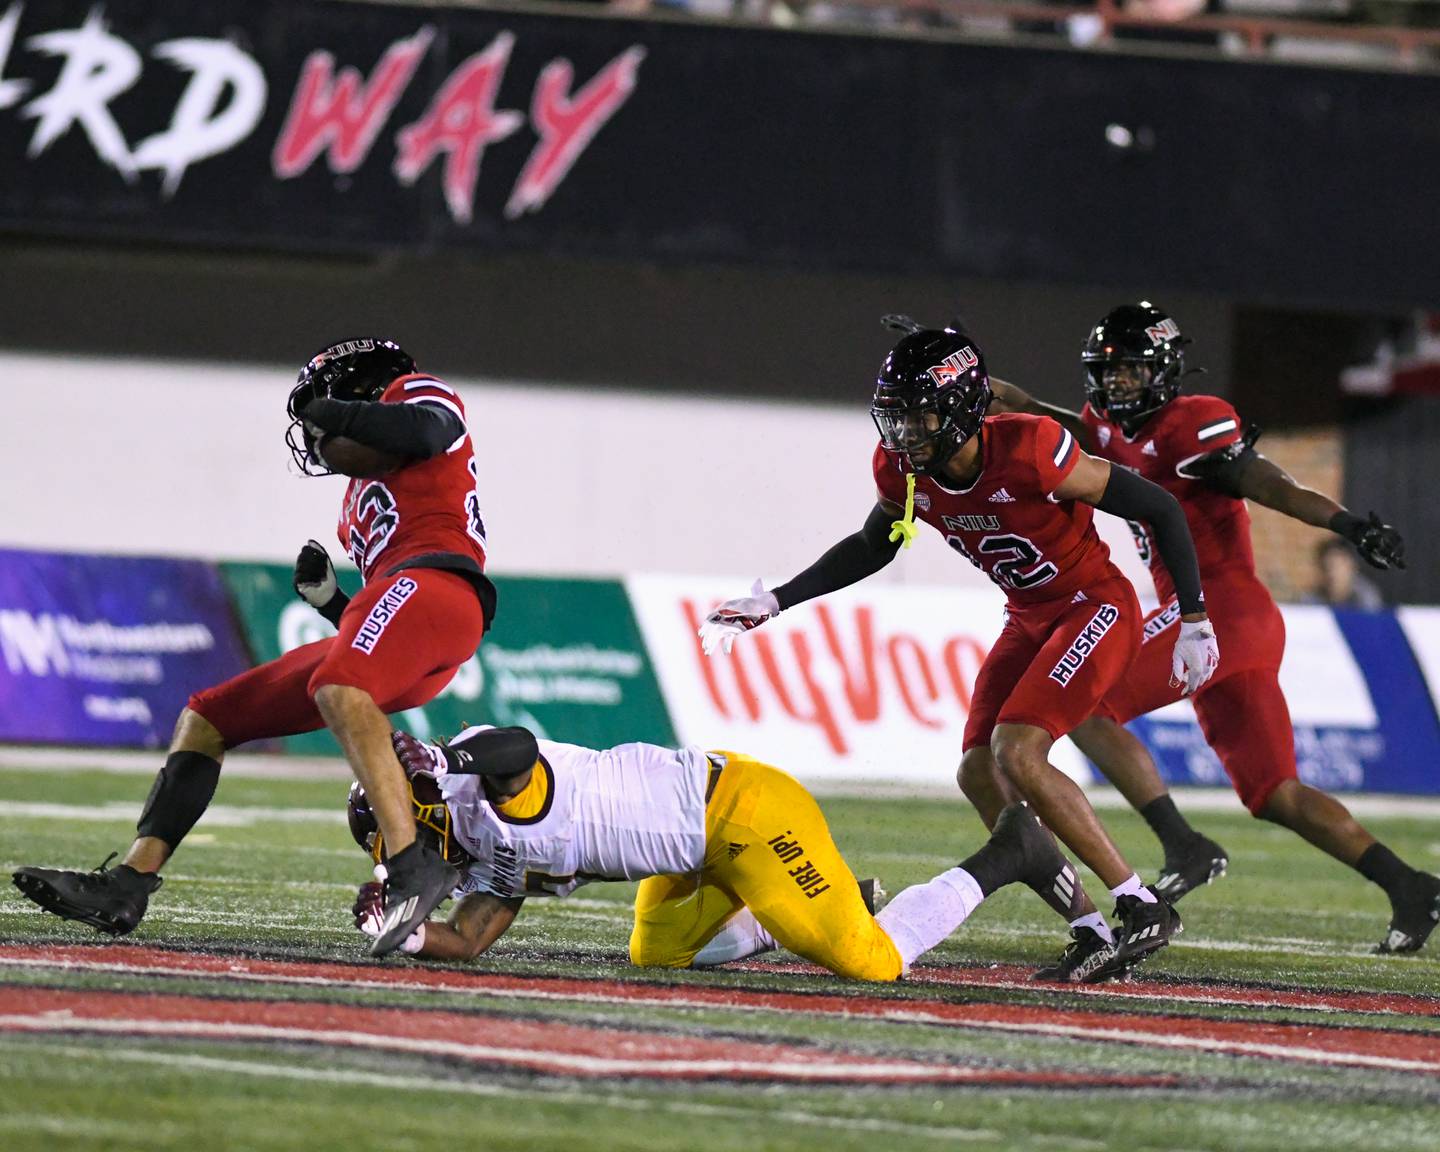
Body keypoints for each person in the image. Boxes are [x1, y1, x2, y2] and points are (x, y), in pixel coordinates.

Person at [699, 320, 1221, 983]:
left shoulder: (1034, 449)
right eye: (897, 416)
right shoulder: (900, 466)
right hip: (1029, 615)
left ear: (965, 407)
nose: (905, 433)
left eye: (920, 414)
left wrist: (1195, 618)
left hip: (1094, 605)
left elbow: (1160, 509)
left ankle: (1141, 905)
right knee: (978, 772)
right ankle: (1089, 925)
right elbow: (877, 542)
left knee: (1017, 750)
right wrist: (776, 600)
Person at [12, 338, 497, 958]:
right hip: (414, 609)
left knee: (337, 687)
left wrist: (336, 414)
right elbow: (382, 623)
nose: (316, 439)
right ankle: (128, 883)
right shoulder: (358, 501)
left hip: (445, 588)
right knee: (209, 716)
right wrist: (330, 603)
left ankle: (412, 863)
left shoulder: (416, 393)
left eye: (321, 412)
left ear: (359, 388)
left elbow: (429, 432)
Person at [990, 302, 1439, 957]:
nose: (1116, 386)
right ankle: (1411, 885)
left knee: (1085, 706)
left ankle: (1183, 845)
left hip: (1218, 612)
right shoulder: (1103, 425)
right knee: (1275, 793)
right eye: (1107, 373)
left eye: (1131, 372)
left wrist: (1345, 524)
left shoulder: (1192, 423)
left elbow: (1270, 481)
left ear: (1165, 370)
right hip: (1227, 621)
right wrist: (1020, 401)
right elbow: (1076, 437)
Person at [348, 725, 1058, 979]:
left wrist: (440, 755)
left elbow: (519, 749)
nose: (406, 857)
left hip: (742, 818)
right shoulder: (478, 850)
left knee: (871, 963)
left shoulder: (479, 784)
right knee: (656, 954)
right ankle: (827, 898)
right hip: (688, 854)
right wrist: (403, 936)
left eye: (396, 836)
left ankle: (1008, 851)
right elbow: (471, 940)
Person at [1311, 537, 1385, 611]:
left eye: (1337, 566)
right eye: (1326, 567)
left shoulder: (1366, 598)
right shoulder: (1311, 601)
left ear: (1351, 566)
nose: (1332, 574)